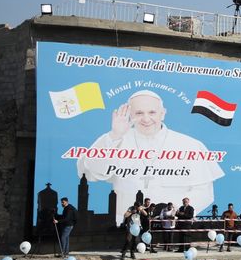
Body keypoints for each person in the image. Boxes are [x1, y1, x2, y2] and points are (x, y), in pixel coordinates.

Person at [76, 90, 225, 223]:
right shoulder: (114, 139)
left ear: (163, 113)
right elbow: (90, 173)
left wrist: (171, 214)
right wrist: (114, 136)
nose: (146, 119)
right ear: (130, 114)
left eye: (152, 112)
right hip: (124, 223)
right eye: (139, 113)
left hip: (171, 222)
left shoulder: (190, 145)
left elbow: (204, 191)